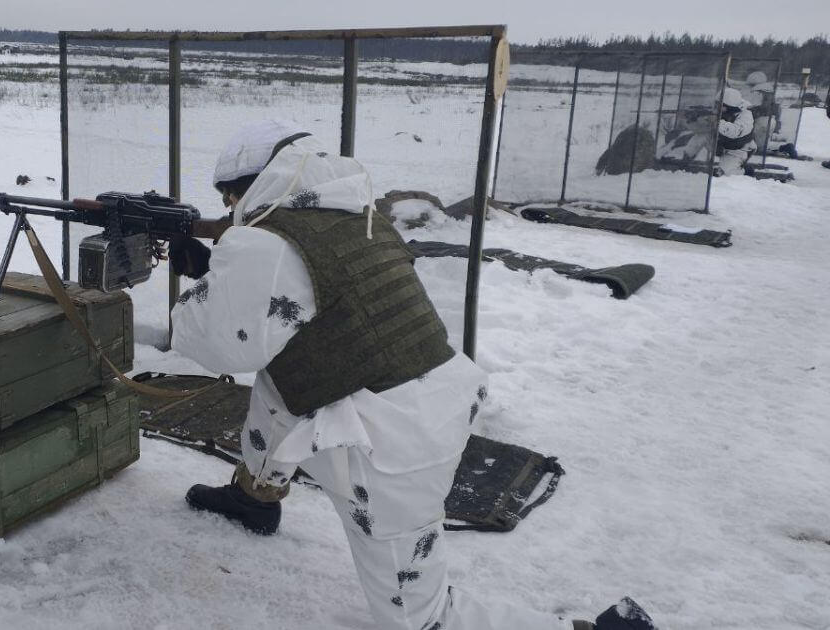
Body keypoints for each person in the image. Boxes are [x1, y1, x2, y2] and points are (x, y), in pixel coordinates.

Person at [168, 120, 658, 630]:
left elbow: (212, 343)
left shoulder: (266, 246)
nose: (229, 207)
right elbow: (295, 309)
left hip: (391, 447)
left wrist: (205, 283)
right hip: (427, 398)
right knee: (282, 383)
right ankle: (256, 497)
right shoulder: (359, 217)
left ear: (258, 184)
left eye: (230, 195)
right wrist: (221, 277)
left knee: (419, 619)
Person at [717, 88, 755, 175]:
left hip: (739, 149)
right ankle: (687, 157)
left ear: (730, 107)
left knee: (727, 173)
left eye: (721, 106)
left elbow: (736, 132)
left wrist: (717, 123)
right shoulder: (725, 112)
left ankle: (746, 171)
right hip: (723, 146)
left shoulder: (746, 115)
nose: (718, 107)